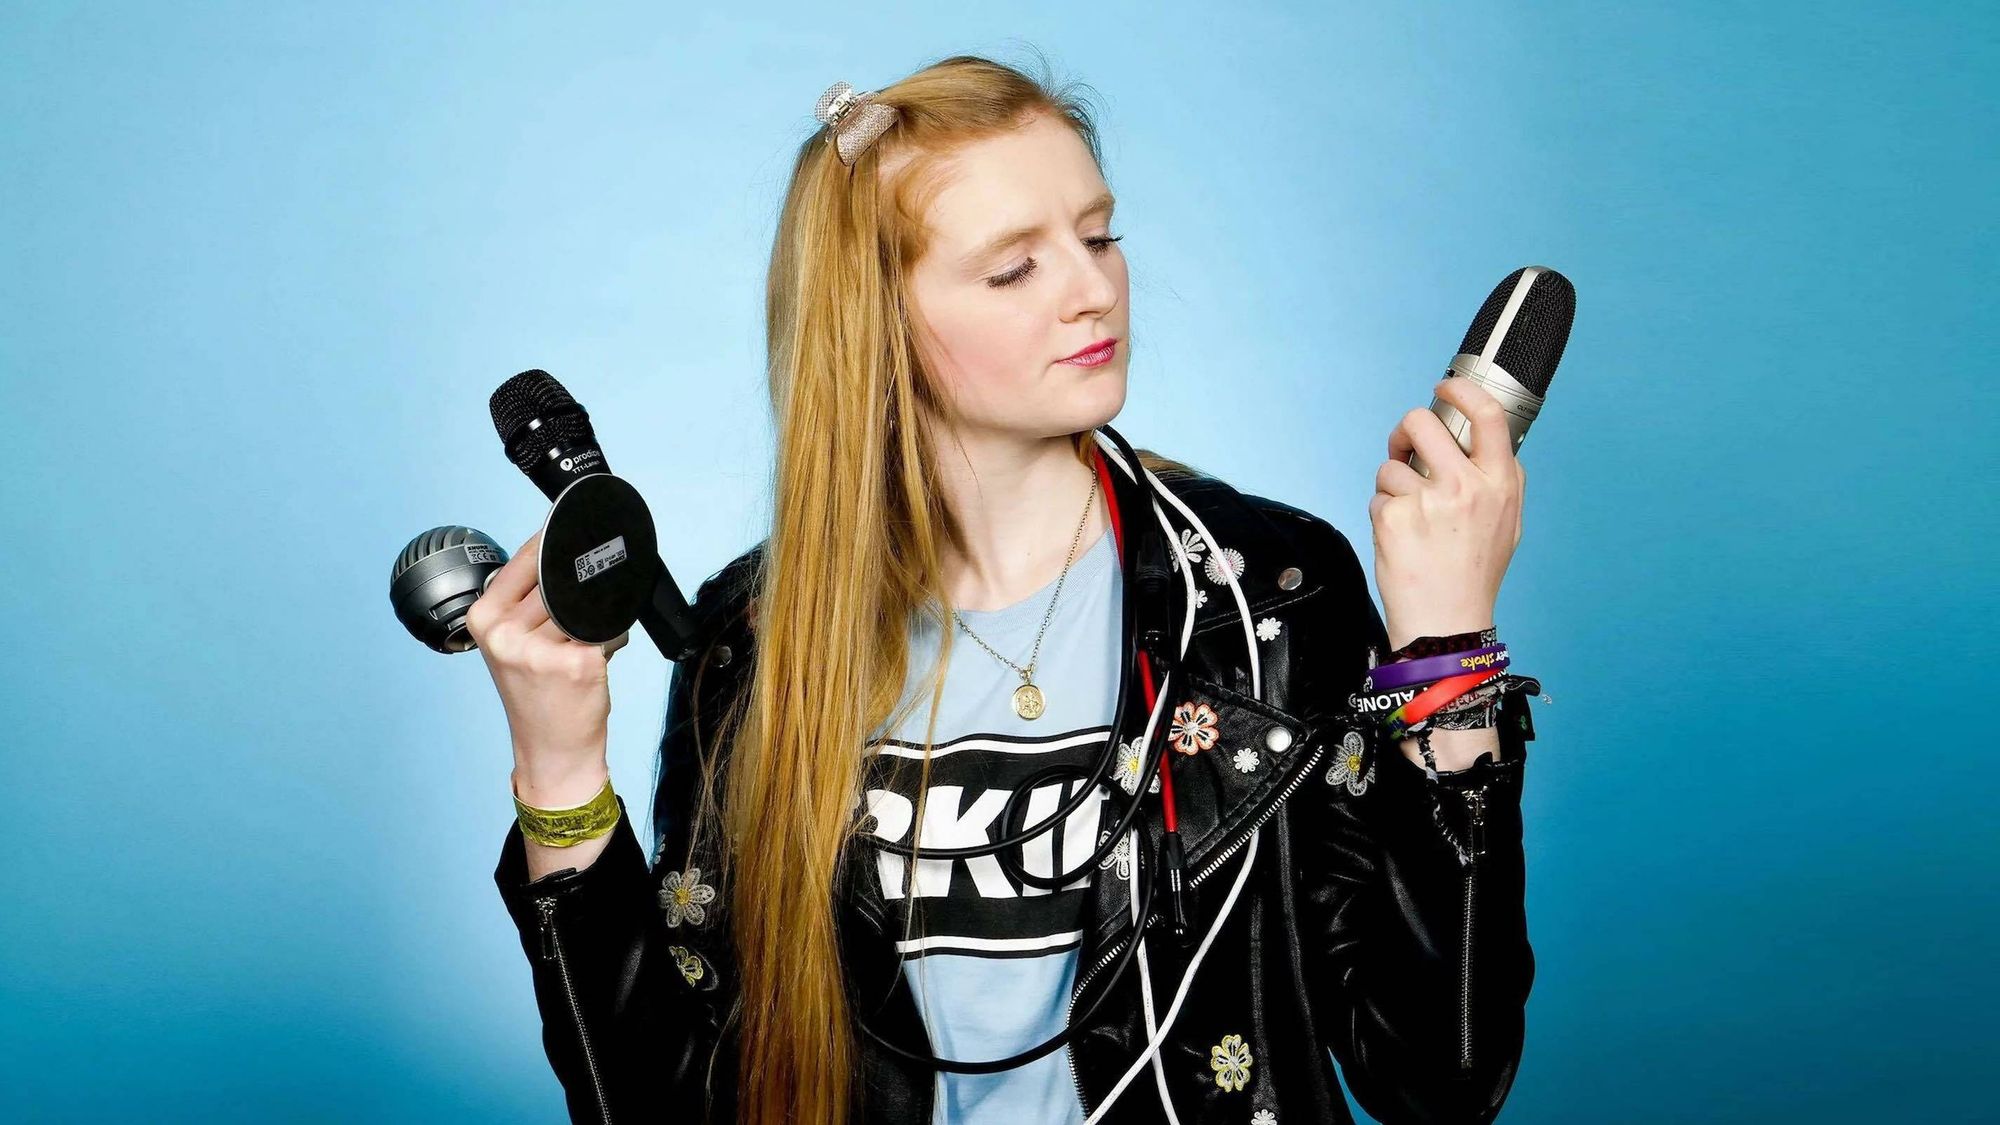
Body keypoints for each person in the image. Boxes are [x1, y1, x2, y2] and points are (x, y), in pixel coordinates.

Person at [474, 53, 1540, 1125]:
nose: (1093, 289)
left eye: (1098, 236)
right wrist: (559, 771)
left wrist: (1447, 647)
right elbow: (663, 1103)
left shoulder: (1266, 594)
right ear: (880, 323)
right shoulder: (753, 639)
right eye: (1014, 268)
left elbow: (1436, 1078)